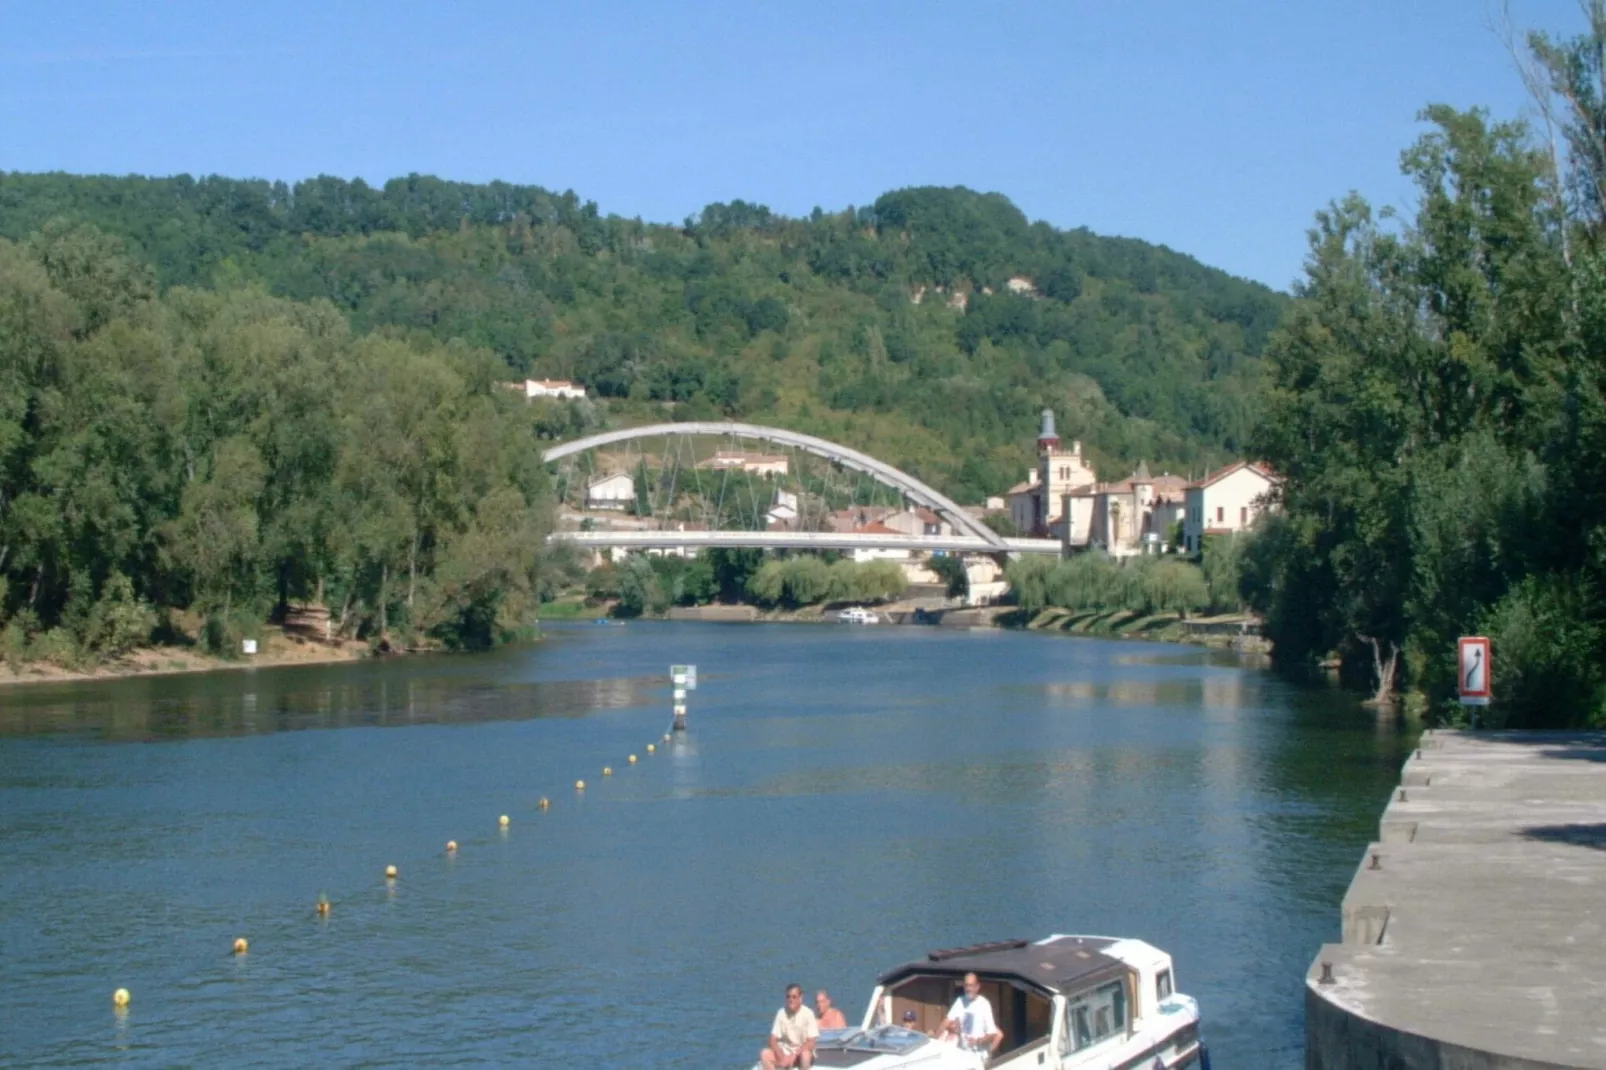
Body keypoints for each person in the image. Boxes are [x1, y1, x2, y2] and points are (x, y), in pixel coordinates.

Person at [760, 983, 819, 1069]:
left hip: (801, 1052)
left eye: (794, 997)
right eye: (788, 997)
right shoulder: (781, 1013)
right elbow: (772, 1039)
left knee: (805, 1055)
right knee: (764, 1053)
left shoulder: (808, 1014)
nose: (791, 999)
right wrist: (782, 1058)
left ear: (800, 998)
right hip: (785, 1052)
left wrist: (794, 1055)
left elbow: (811, 1042)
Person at [944, 973, 1002, 1055]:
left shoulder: (984, 1004)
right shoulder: (960, 1001)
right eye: (966, 985)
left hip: (977, 1055)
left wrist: (978, 1041)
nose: (968, 988)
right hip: (963, 1054)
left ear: (977, 986)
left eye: (971, 985)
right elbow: (946, 1021)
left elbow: (992, 1034)